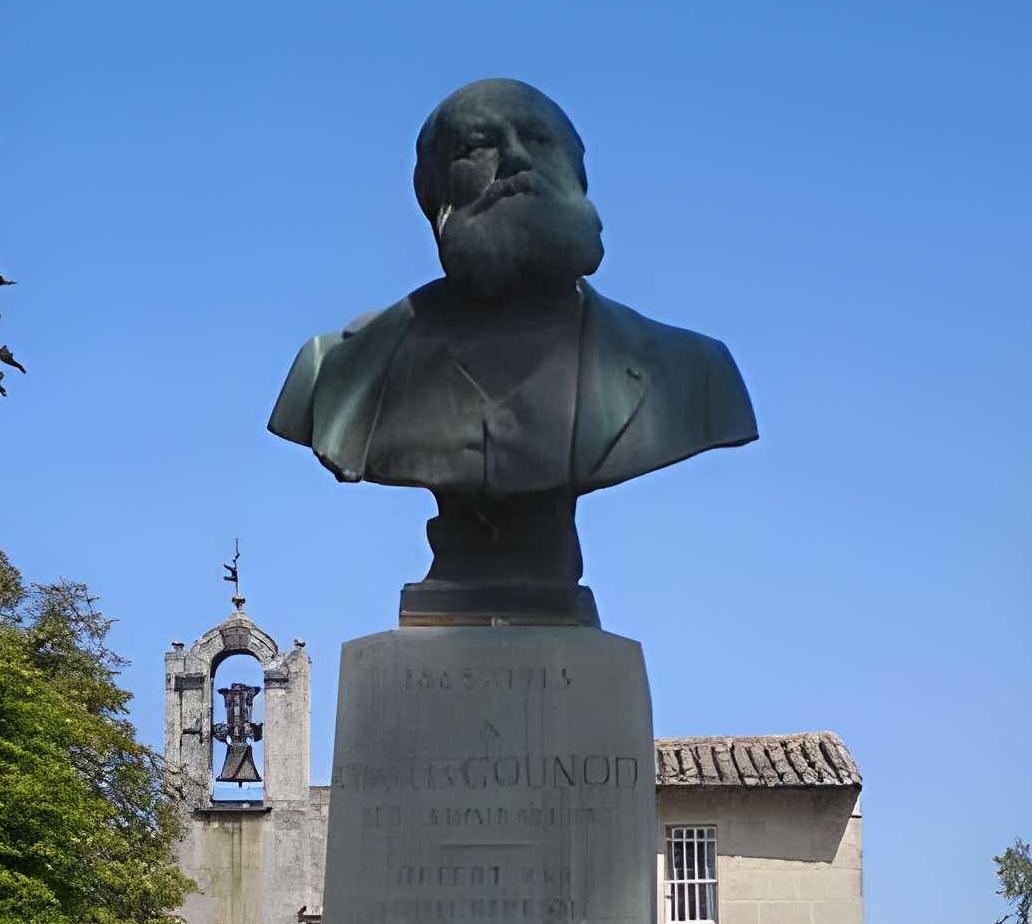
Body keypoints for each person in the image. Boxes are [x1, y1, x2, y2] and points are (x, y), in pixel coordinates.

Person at [269, 78, 757, 600]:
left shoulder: (692, 373)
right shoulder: (331, 371)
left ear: (577, 174)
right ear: (433, 193)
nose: (518, 161)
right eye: (478, 147)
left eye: (540, 140)